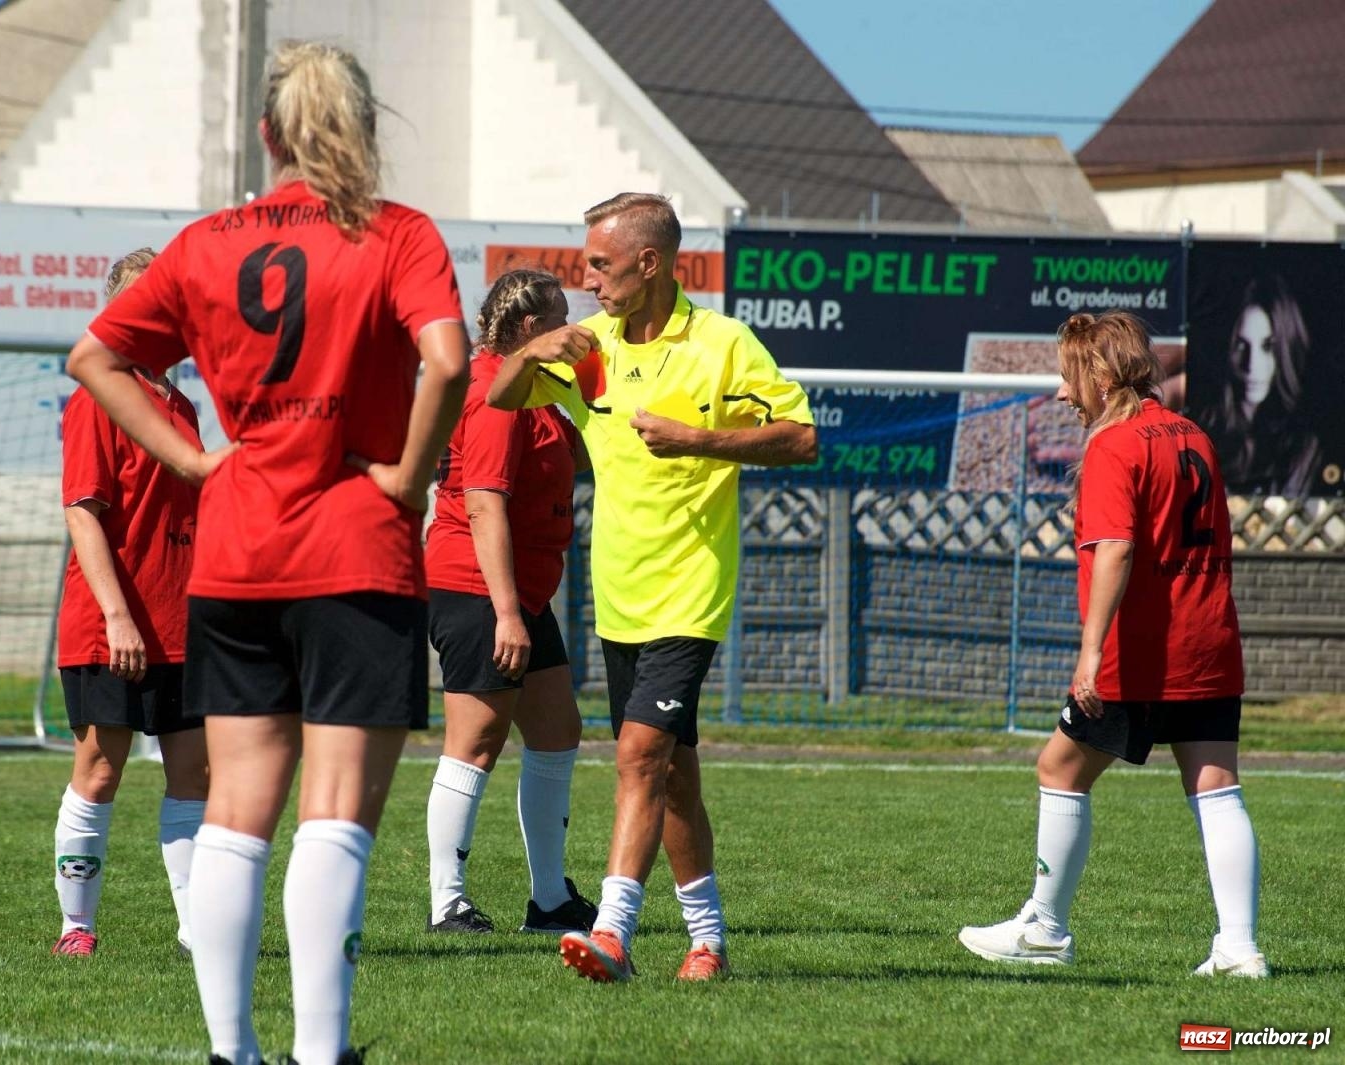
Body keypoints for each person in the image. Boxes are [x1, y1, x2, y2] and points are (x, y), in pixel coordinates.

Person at [66, 40, 468, 1065]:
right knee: (335, 816)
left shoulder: (202, 244)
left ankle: (229, 1051)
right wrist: (412, 474)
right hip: (355, 546)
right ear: (365, 129)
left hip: (237, 550)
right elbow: (449, 360)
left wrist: (198, 461)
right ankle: (320, 1055)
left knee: (236, 815)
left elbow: (94, 358)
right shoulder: (397, 233)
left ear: (266, 133)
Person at [488, 192, 818, 983]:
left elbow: (803, 437)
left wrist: (701, 440)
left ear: (650, 262)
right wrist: (531, 355)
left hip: (692, 590)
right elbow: (499, 398)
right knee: (671, 775)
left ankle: (611, 931)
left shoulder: (724, 343)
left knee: (637, 756)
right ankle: (708, 941)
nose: (589, 279)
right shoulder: (589, 346)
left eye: (601, 264)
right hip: (620, 592)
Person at [958, 311, 1265, 978]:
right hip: (1210, 641)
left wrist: (1089, 655)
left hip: (1143, 651)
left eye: (1071, 378)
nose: (1064, 395)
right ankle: (1240, 948)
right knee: (1216, 787)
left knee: (1059, 769)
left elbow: (1116, 551)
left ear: (1100, 374)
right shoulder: (1193, 435)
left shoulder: (1114, 445)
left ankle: (1045, 927)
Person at [423, 268, 597, 936]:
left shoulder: (529, 390)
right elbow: (485, 500)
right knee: (476, 740)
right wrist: (504, 612)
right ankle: (447, 902)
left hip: (520, 590)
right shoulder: (493, 388)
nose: (569, 327)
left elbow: (564, 459)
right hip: (480, 588)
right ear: (529, 328)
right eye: (558, 317)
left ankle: (549, 899)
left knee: (556, 730)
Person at [49, 248, 208, 959]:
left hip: (181, 618)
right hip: (110, 621)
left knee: (194, 772)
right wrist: (118, 615)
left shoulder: (183, 405)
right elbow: (83, 513)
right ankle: (76, 927)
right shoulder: (94, 397)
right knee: (101, 768)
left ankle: (196, 928)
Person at [1196, 274, 1321, 497]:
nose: (1252, 366)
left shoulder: (1302, 446)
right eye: (1241, 346)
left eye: (1267, 347)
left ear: (1285, 350)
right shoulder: (1201, 428)